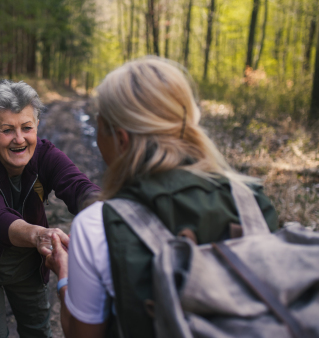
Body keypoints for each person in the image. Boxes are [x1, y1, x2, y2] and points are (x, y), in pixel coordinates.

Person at [45, 57, 278, 338]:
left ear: (121, 139)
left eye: (100, 126)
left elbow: (80, 334)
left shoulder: (98, 225)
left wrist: (65, 275)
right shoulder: (251, 200)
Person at [0, 80, 100, 338]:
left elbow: (76, 185)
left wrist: (107, 212)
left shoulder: (45, 155)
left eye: (27, 127)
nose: (19, 139)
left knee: (38, 332)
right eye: (7, 130)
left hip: (28, 267)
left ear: (36, 126)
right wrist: (39, 235)